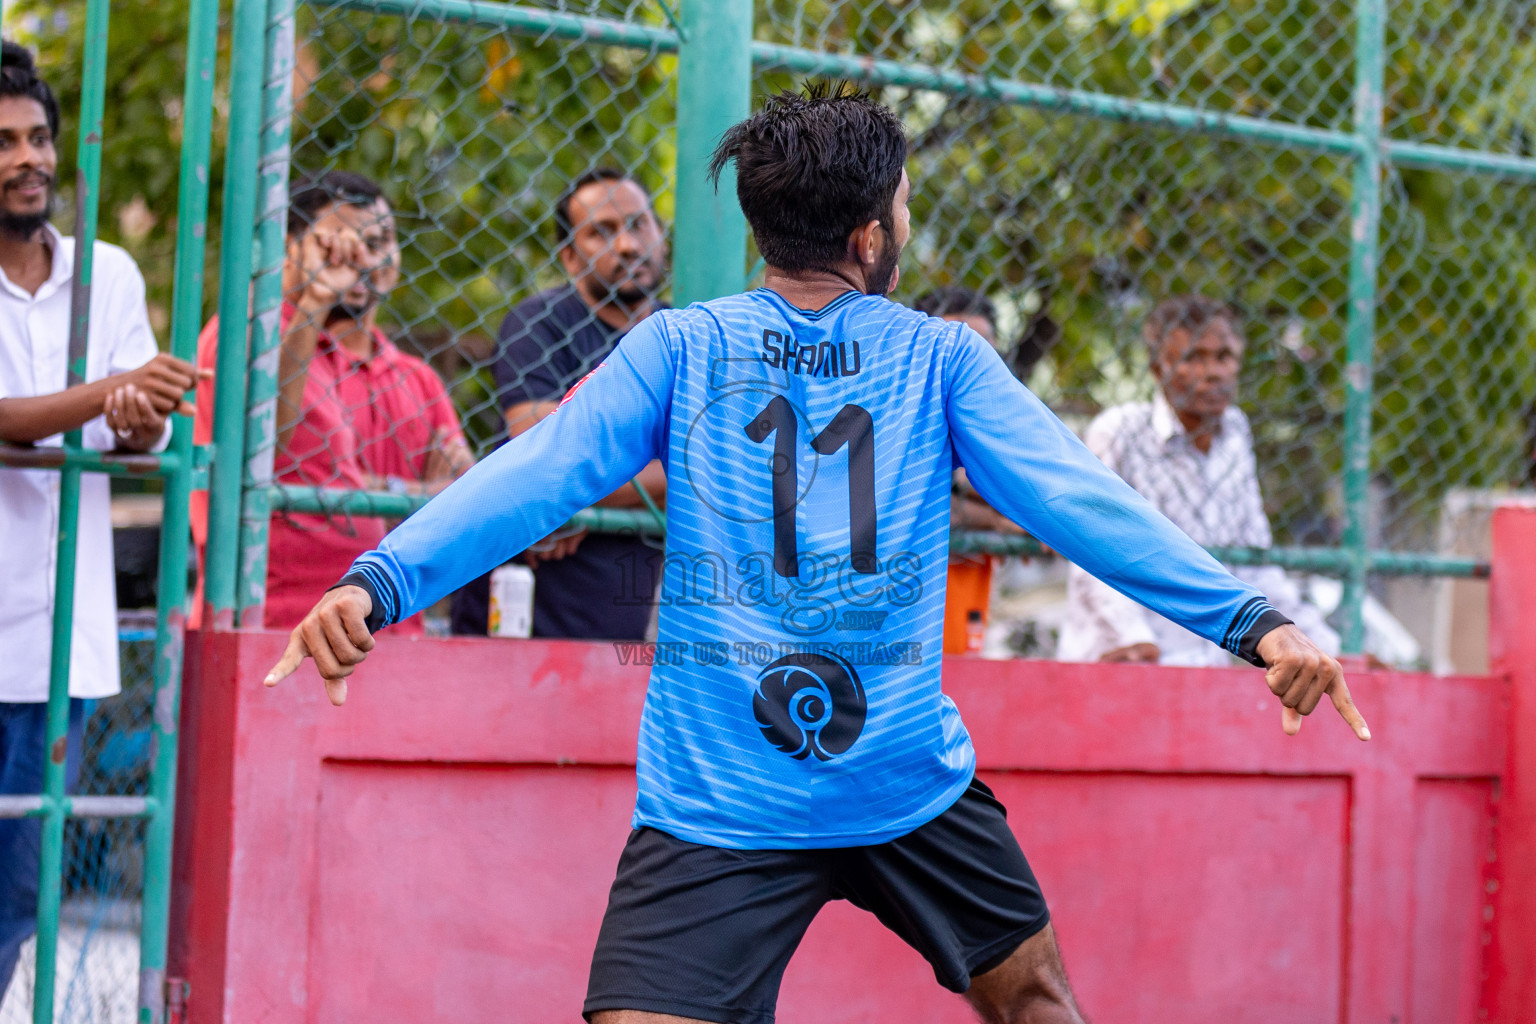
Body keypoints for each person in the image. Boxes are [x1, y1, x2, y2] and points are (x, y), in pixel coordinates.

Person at [266, 86, 1369, 1024]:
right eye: (901, 205)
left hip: (801, 788)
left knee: (1027, 989)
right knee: (1037, 1005)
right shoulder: (942, 358)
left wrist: (381, 579)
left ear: (762, 231)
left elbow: (533, 473)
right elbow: (1085, 503)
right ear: (871, 239)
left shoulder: (681, 344)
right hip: (794, 791)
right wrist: (1249, 620)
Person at [0, 40, 203, 994]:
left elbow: (140, 440)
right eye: (3, 142)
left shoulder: (107, 274)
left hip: (54, 644)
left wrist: (135, 411)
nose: (26, 158)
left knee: (14, 892)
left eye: (38, 136)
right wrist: (110, 389)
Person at [189, 171, 472, 631]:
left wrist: (385, 493)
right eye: (340, 242)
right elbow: (261, 450)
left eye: (379, 241)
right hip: (271, 626)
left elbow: (458, 505)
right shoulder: (245, 334)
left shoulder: (419, 381)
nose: (362, 258)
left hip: (394, 635)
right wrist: (316, 299)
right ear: (291, 245)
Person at [1057, 295, 1341, 666]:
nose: (1213, 372)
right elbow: (1089, 549)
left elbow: (1255, 562)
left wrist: (1322, 647)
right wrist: (1131, 640)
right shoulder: (1120, 432)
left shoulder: (1235, 435)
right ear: (1160, 368)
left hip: (1200, 664)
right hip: (1118, 660)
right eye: (1193, 357)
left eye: (1223, 357)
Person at [451, 167, 668, 639]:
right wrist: (665, 468)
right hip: (526, 601)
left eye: (638, 225)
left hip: (631, 604)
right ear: (570, 257)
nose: (628, 245)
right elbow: (549, 460)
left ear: (661, 234)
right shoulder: (539, 324)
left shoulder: (680, 334)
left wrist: (581, 494)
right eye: (602, 232)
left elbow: (716, 463)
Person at [913, 287, 1023, 654]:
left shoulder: (998, 429)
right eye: (952, 353)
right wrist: (993, 517)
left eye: (980, 352)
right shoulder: (899, 423)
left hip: (967, 613)